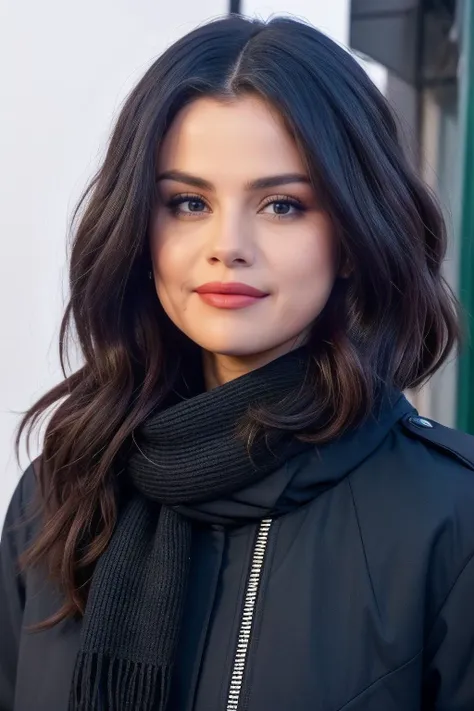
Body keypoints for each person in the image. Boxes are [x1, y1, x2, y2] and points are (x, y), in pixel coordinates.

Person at [1, 13, 474, 711]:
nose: (228, 244)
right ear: (140, 226)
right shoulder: (61, 496)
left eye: (282, 205)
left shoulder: (451, 517)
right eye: (188, 202)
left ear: (351, 233)